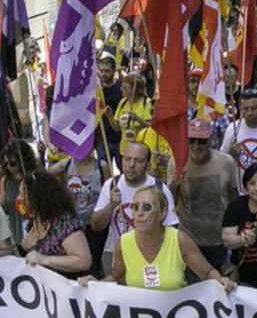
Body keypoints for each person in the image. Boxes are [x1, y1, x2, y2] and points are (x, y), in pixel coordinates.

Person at [80, 186, 234, 291]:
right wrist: (96, 284)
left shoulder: (180, 240)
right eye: (135, 207)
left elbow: (207, 273)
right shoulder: (123, 242)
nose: (139, 213)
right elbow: (116, 276)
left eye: (147, 207)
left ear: (162, 213)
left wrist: (221, 281)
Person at [91, 143, 179, 274]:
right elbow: (95, 225)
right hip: (122, 263)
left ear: (147, 164)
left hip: (152, 264)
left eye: (138, 161)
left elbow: (172, 229)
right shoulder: (111, 185)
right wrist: (111, 206)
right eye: (127, 159)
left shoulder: (159, 189)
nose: (131, 165)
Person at [175, 119, 240, 273]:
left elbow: (234, 200)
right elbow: (169, 204)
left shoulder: (226, 162)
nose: (196, 146)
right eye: (192, 140)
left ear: (210, 140)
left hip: (220, 243)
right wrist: (174, 184)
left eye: (202, 141)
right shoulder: (176, 162)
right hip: (189, 243)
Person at [47, 148, 111, 275]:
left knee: (93, 260)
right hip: (73, 227)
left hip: (94, 225)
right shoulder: (65, 165)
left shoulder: (101, 166)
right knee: (77, 260)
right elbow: (42, 176)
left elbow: (109, 188)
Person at [18, 169, 93, 278]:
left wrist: (44, 260)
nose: (20, 198)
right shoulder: (35, 221)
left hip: (68, 288)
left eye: (23, 194)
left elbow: (83, 261)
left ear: (37, 197)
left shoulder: (65, 223)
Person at [219, 88, 257, 178]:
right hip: (240, 190)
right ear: (240, 108)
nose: (250, 113)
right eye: (246, 109)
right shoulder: (232, 129)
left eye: (254, 108)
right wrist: (231, 154)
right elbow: (222, 162)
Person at [0, 140, 39, 249]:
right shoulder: (5, 180)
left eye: (13, 163)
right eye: (5, 164)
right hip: (16, 237)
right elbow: (4, 206)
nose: (9, 167)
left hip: (35, 236)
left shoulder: (34, 178)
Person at [95, 55, 123, 168]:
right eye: (101, 70)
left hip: (119, 139)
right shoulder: (96, 89)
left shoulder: (121, 88)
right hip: (102, 139)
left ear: (114, 70)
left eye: (107, 71)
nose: (103, 74)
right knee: (105, 170)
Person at [115, 73, 152, 154]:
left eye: (124, 87)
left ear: (134, 89)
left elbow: (150, 127)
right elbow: (116, 128)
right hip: (125, 150)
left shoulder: (147, 103)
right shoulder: (123, 102)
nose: (121, 89)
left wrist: (137, 118)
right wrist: (109, 114)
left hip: (142, 150)